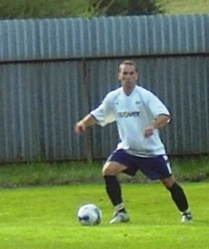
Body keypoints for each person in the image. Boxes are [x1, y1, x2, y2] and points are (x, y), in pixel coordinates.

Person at [74, 59, 193, 223]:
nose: (128, 77)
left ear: (136, 76)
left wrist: (152, 125)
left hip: (150, 151)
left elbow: (165, 116)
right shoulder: (114, 97)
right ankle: (121, 212)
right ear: (119, 76)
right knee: (108, 171)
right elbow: (98, 114)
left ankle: (186, 213)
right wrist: (83, 123)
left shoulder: (145, 96)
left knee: (168, 182)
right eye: (124, 73)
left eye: (131, 73)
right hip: (128, 150)